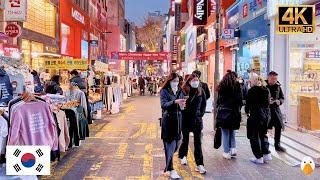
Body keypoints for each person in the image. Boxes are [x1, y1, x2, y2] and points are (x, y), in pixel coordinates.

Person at [178, 73, 207, 174]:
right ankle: (182, 156)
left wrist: (200, 114)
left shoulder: (200, 91)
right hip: (185, 119)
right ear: (189, 81)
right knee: (185, 140)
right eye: (193, 80)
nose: (196, 82)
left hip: (197, 120)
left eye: (197, 80)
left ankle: (200, 164)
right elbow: (179, 104)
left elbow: (204, 104)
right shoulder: (183, 90)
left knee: (197, 142)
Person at [160, 72, 186, 179]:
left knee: (176, 145)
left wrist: (182, 105)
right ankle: (170, 169)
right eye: (174, 81)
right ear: (169, 81)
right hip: (168, 121)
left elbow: (182, 103)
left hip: (178, 121)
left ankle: (169, 164)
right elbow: (163, 105)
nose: (176, 83)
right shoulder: (164, 91)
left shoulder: (180, 90)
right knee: (170, 146)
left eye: (177, 81)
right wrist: (175, 102)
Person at [216, 71, 242, 159]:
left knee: (225, 132)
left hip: (224, 112)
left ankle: (226, 152)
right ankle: (233, 149)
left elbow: (219, 101)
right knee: (232, 131)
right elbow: (240, 100)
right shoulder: (237, 86)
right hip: (234, 112)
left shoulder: (222, 86)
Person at [245, 76, 272, 164]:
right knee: (263, 134)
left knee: (254, 136)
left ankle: (258, 157)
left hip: (255, 115)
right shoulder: (266, 90)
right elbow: (268, 103)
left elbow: (247, 105)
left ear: (253, 81)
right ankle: (266, 154)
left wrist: (247, 112)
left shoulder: (251, 91)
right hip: (265, 116)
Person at [266, 71, 286, 152]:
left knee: (278, 127)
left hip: (276, 111)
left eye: (276, 79)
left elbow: (282, 97)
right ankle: (265, 146)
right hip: (266, 111)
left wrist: (280, 101)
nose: (274, 80)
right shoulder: (264, 86)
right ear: (268, 78)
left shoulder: (278, 87)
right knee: (265, 128)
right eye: (273, 78)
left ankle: (277, 145)